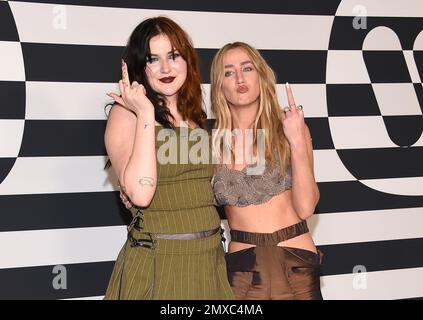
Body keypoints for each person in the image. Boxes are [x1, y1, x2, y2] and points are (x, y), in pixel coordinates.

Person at [104, 16, 233, 300]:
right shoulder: (126, 114)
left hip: (208, 262)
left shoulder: (195, 115)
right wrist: (146, 114)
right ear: (140, 66)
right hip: (159, 265)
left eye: (174, 56)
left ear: (187, 60)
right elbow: (140, 193)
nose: (166, 68)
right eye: (153, 59)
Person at [210, 42, 323, 300]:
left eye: (247, 68)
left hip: (296, 263)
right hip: (243, 272)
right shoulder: (212, 146)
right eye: (228, 72)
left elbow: (306, 207)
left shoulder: (290, 130)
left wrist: (296, 141)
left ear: (261, 75)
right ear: (219, 86)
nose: (239, 78)